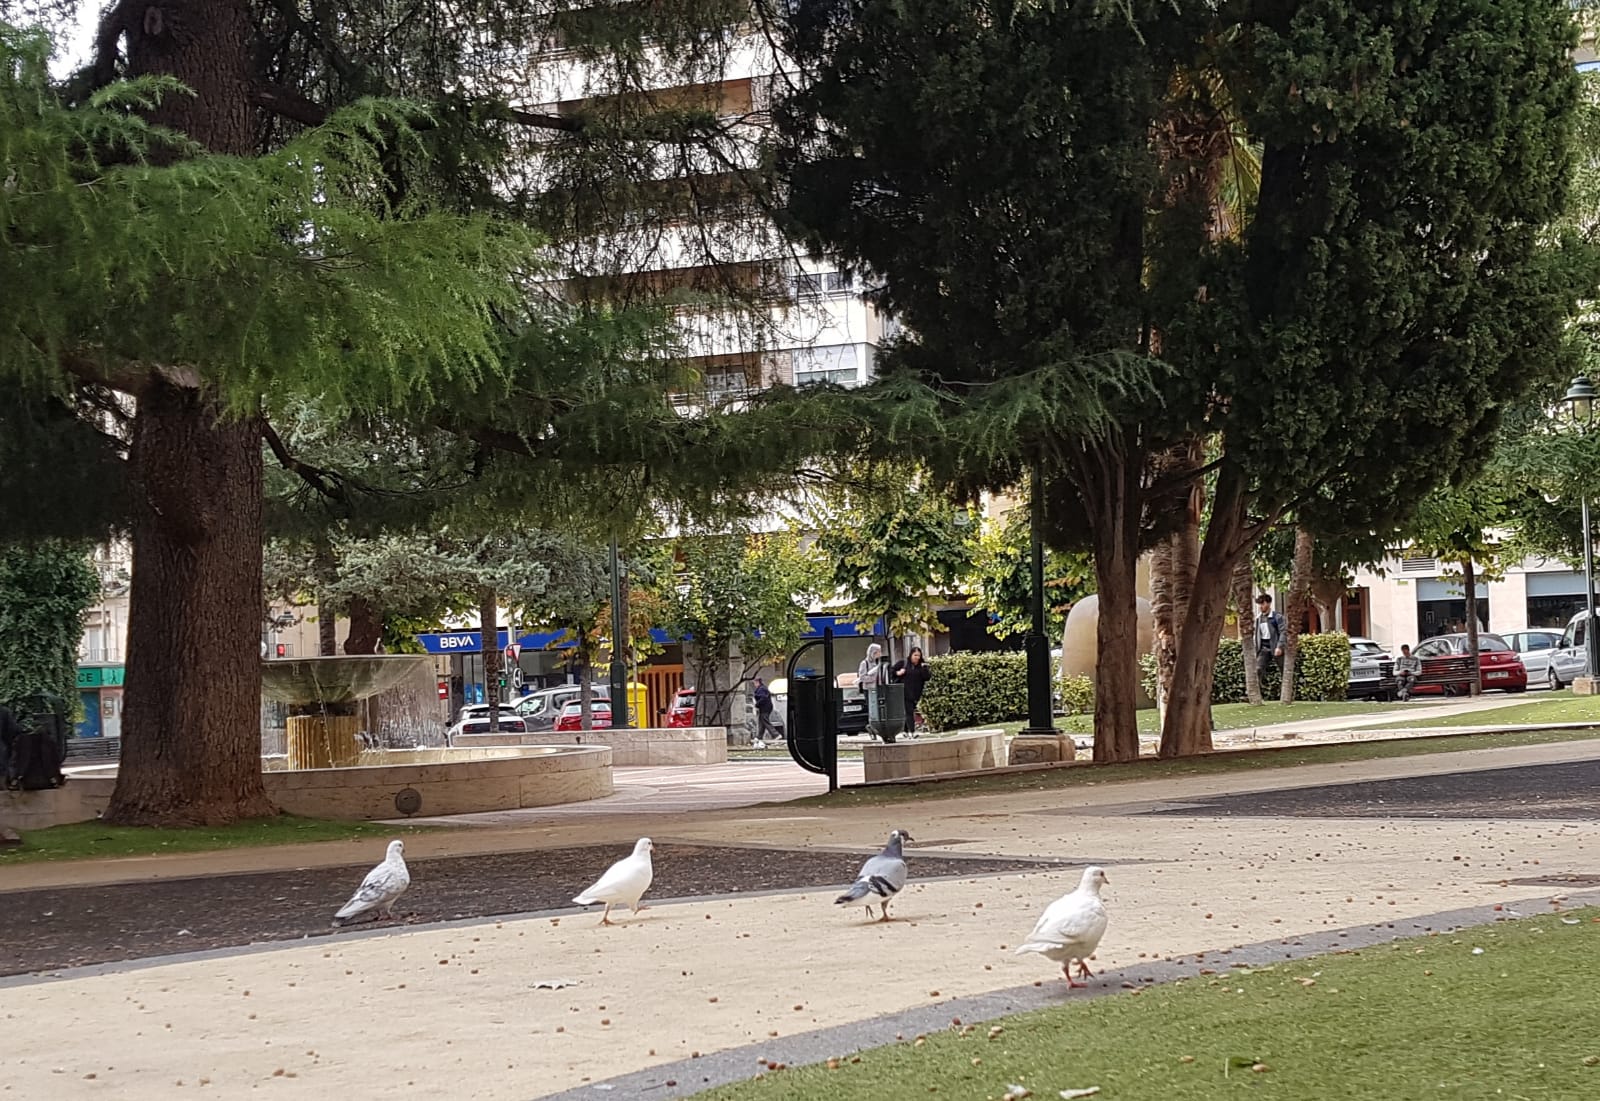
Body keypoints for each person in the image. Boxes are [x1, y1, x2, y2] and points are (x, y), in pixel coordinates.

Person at [891, 646, 931, 735]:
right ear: (911, 655)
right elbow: (891, 670)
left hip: (916, 693)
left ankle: (905, 730)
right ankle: (912, 732)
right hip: (904, 692)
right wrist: (898, 673)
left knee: (910, 710)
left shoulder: (921, 666)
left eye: (918, 655)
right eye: (915, 655)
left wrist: (924, 669)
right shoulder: (903, 663)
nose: (917, 657)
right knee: (909, 711)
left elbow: (927, 677)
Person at [1253, 593, 1285, 681]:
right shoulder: (1258, 619)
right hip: (1264, 648)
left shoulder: (1277, 617)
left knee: (1284, 671)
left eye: (1262, 604)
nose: (1260, 606)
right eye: (1259, 604)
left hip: (1276, 646)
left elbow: (1283, 632)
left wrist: (1279, 647)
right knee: (1258, 669)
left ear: (1269, 603)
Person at [752, 677, 776, 741]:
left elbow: (763, 698)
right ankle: (759, 736)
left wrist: (757, 704)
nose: (754, 684)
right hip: (766, 707)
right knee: (761, 721)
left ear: (757, 682)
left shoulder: (761, 689)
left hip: (765, 708)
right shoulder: (762, 688)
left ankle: (776, 734)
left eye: (754, 683)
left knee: (765, 721)